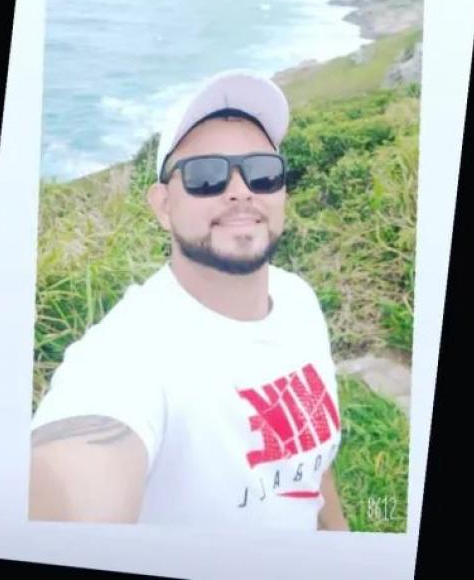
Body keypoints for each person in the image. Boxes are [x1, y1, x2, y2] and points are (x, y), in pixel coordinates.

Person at [29, 70, 349, 531]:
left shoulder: (298, 300)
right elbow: (70, 492)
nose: (240, 191)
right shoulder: (127, 355)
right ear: (163, 205)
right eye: (206, 176)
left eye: (262, 172)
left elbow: (309, 465)